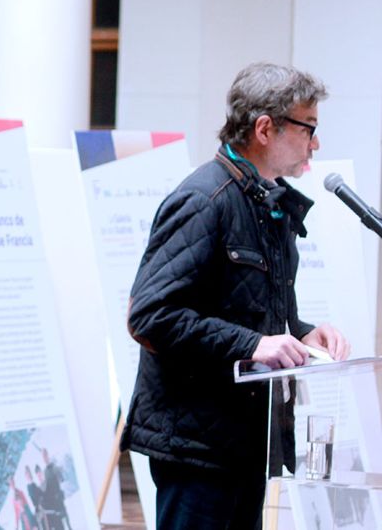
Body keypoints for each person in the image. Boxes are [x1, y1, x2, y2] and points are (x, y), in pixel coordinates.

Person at [120, 62, 351, 530]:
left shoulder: (268, 203)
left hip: (247, 439)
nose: (316, 143)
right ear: (265, 129)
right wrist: (252, 345)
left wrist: (306, 334)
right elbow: (149, 315)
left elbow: (256, 314)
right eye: (309, 128)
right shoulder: (205, 200)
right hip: (196, 445)